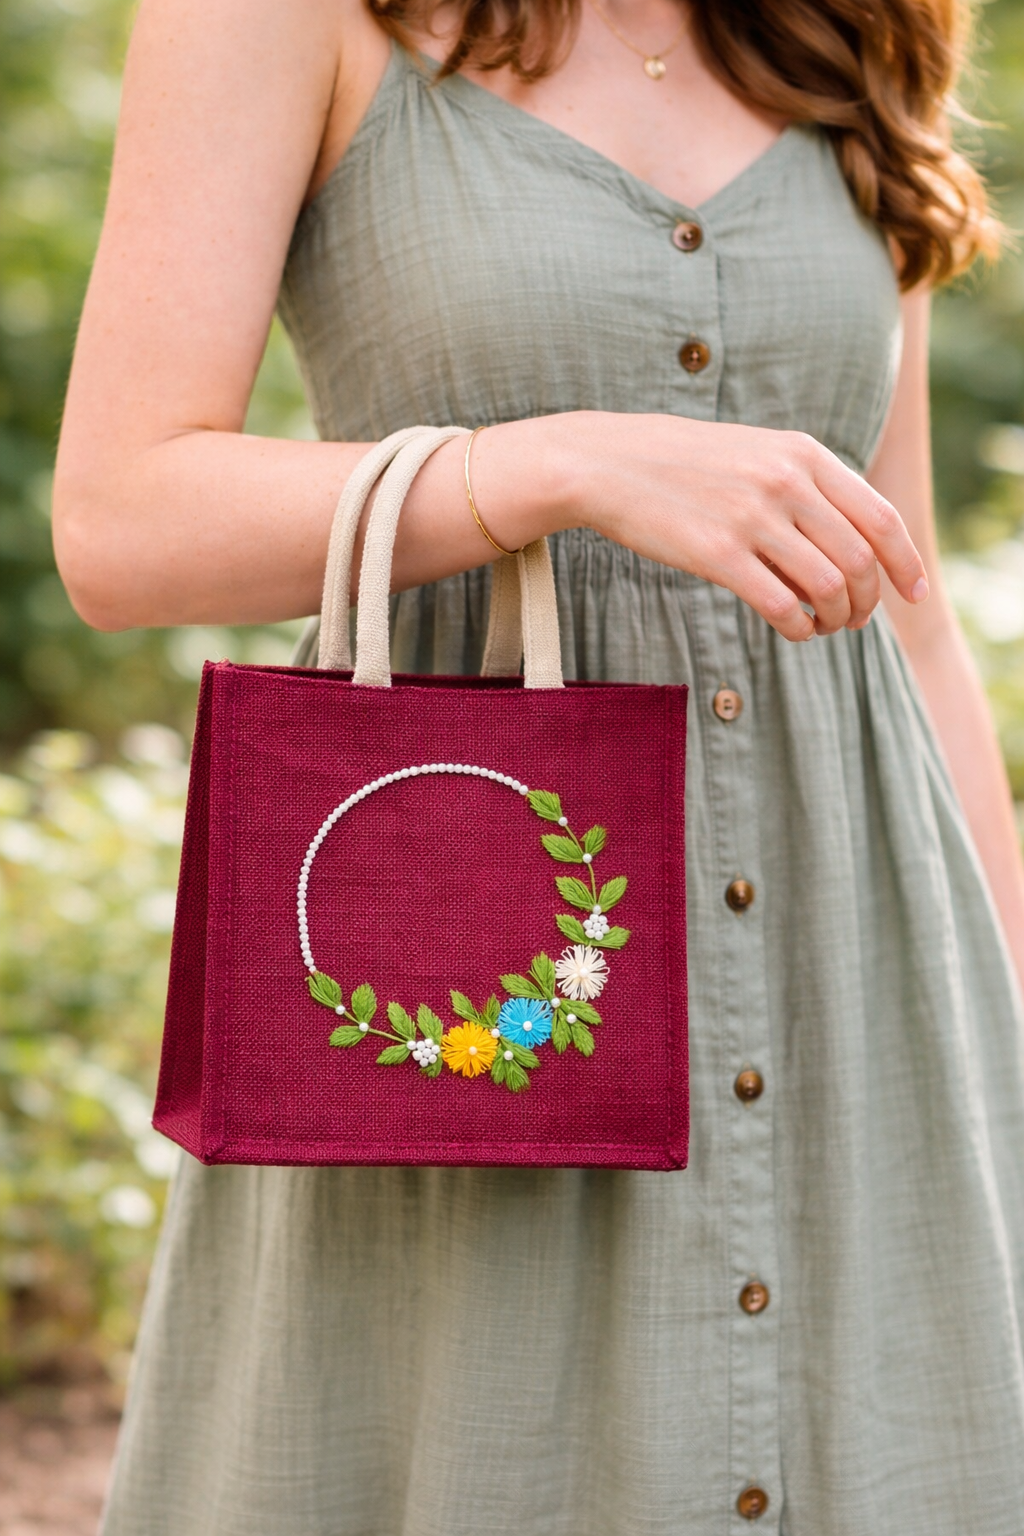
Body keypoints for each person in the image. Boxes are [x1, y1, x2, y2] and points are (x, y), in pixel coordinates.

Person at [53, 0, 1024, 1529]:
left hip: (866, 993)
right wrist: (549, 465)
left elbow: (902, 618)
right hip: (482, 947)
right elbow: (116, 522)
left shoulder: (852, 30)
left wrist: (1003, 1037)